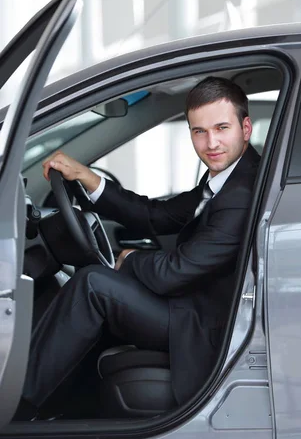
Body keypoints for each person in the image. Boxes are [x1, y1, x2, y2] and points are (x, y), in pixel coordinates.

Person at [18, 76, 260, 418]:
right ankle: (62, 405)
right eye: (199, 131)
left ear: (245, 128)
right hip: (191, 307)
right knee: (97, 283)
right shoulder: (226, 179)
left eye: (222, 128)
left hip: (201, 325)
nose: (211, 143)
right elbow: (156, 216)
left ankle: (16, 404)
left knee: (92, 284)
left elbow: (175, 273)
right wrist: (87, 177)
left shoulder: (242, 193)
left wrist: (130, 260)